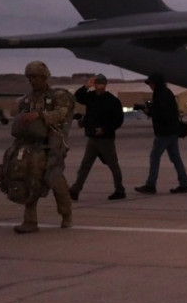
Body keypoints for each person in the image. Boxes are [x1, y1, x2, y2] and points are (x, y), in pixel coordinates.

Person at [11, 61, 75, 233]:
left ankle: (66, 214)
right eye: (30, 77)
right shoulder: (26, 100)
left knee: (54, 178)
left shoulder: (58, 96)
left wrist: (39, 115)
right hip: (30, 144)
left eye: (36, 77)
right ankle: (30, 221)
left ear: (44, 77)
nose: (33, 81)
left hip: (52, 143)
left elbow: (62, 114)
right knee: (28, 177)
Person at [69, 74, 126, 200]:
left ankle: (120, 190)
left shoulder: (112, 101)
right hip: (93, 138)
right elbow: (77, 97)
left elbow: (118, 120)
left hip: (106, 139)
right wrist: (85, 86)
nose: (98, 86)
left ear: (105, 85)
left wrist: (105, 129)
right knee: (85, 165)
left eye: (100, 83)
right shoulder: (90, 97)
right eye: (96, 83)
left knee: (113, 165)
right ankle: (76, 189)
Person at [135, 72, 187, 194]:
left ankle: (151, 185)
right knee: (176, 158)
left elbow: (160, 114)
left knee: (155, 157)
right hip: (172, 131)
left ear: (156, 83)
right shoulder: (166, 92)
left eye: (151, 83)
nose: (150, 85)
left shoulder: (161, 94)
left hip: (164, 132)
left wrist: (148, 111)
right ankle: (184, 183)